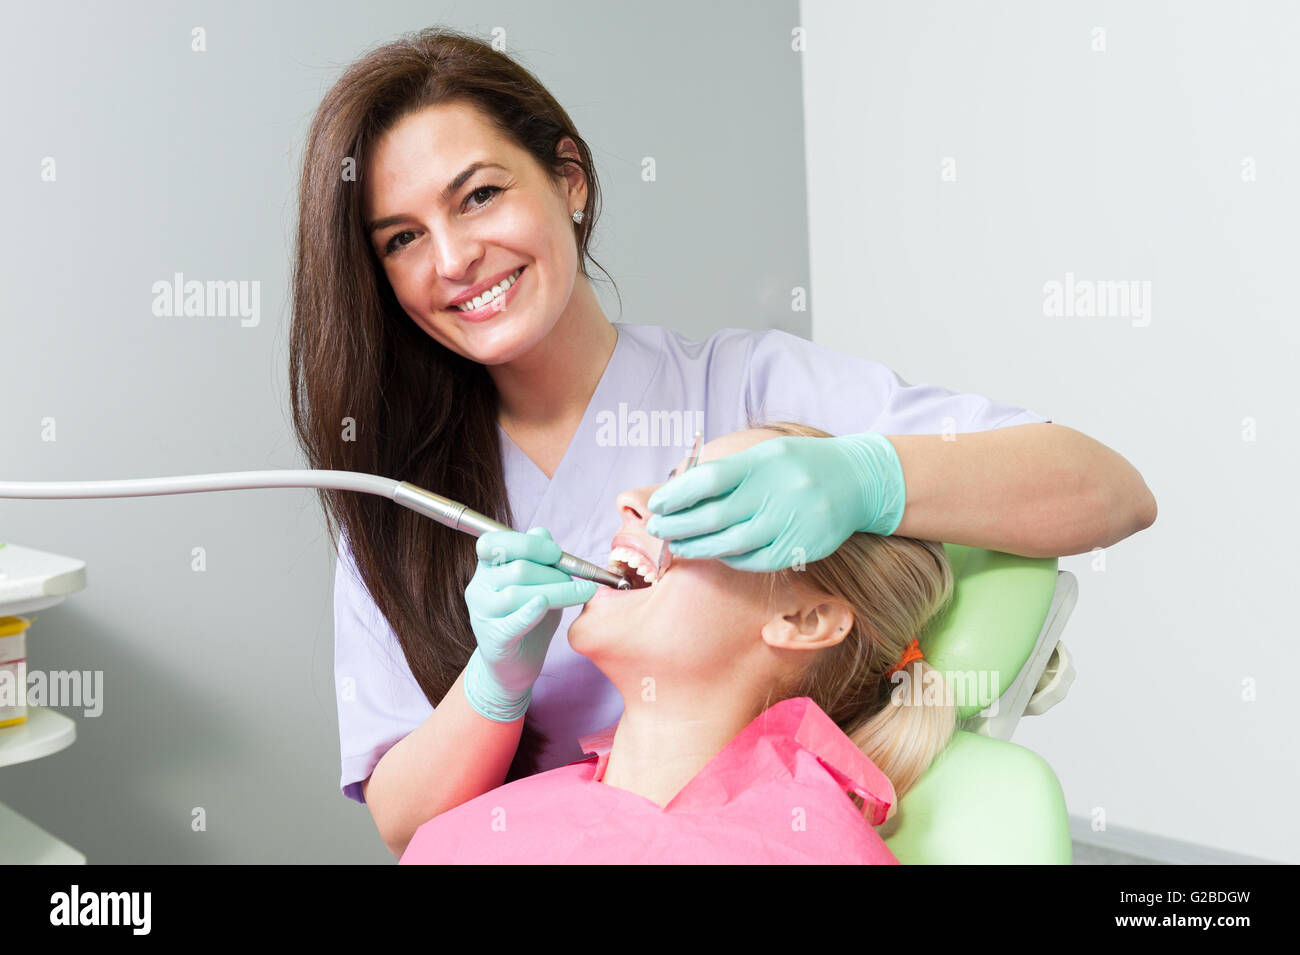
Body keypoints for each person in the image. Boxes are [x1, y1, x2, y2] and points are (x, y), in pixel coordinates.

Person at [290, 27, 1157, 857]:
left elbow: (1110, 491)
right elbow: (410, 828)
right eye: (402, 239)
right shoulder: (401, 503)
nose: (452, 258)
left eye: (480, 195)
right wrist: (494, 679)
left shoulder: (749, 391)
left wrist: (865, 477)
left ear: (570, 179)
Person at [401, 423, 957, 863]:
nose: (632, 501)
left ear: (804, 620)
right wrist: (494, 685)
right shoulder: (482, 828)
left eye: (708, 501)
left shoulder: (806, 848)